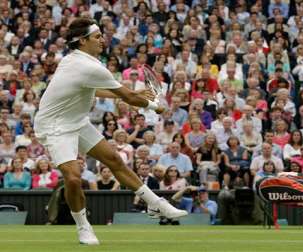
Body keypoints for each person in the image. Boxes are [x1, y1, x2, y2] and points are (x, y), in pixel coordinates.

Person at [33, 18, 187, 245]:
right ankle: (83, 227)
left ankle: (156, 203)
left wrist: (135, 95)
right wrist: (155, 105)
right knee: (74, 179)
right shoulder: (88, 66)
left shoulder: (76, 60)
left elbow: (96, 90)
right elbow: (129, 97)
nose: (102, 40)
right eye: (96, 37)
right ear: (82, 41)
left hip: (77, 121)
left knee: (114, 159)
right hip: (55, 127)